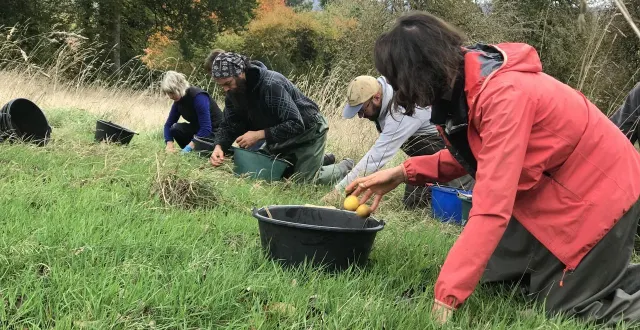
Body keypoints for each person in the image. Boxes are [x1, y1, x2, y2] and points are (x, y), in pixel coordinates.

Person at [347, 12, 640, 327]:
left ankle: (609, 282)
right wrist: (404, 172)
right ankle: (598, 272)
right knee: (499, 278)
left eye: (397, 80)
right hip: (554, 188)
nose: (398, 91)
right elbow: (481, 156)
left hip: (602, 190)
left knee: (562, 308)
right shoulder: (460, 87)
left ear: (419, 70)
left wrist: (445, 297)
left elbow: (492, 207)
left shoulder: (504, 95)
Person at [321, 75, 474, 208]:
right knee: (412, 204)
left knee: (462, 201)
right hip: (424, 156)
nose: (361, 116)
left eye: (362, 110)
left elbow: (377, 157)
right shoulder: (382, 88)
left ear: (376, 97)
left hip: (453, 149)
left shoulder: (401, 111)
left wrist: (340, 191)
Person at [207, 52, 351, 183]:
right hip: (280, 134)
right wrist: (219, 146)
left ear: (240, 73)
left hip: (309, 130)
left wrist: (258, 135)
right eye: (222, 86)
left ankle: (345, 167)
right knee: (270, 174)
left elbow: (296, 124)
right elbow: (229, 124)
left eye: (227, 83)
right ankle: (322, 160)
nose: (226, 89)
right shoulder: (234, 93)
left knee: (302, 183)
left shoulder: (271, 84)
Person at [161, 71, 223, 153]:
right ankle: (193, 152)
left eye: (172, 93)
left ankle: (194, 151)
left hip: (215, 132)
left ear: (180, 87)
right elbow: (168, 124)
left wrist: (189, 147)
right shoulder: (178, 101)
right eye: (168, 93)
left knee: (198, 147)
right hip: (199, 130)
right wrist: (169, 143)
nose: (170, 96)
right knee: (175, 128)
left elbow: (206, 128)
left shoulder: (199, 97)